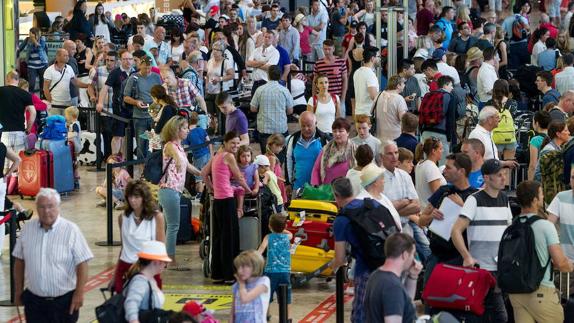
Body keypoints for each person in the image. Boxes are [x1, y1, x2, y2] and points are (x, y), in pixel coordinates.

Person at [13, 188, 94, 322]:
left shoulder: (71, 230)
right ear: (36, 208)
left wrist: (79, 293)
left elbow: (82, 264)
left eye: (50, 206)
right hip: (34, 302)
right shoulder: (28, 229)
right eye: (42, 207)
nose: (46, 211)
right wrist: (18, 291)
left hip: (64, 303)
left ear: (58, 207)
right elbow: (19, 261)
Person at [451, 159, 512, 323]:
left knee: (486, 314)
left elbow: (508, 231)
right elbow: (456, 231)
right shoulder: (474, 200)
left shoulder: (505, 199)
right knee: (498, 316)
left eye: (504, 174)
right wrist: (466, 256)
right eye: (499, 175)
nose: (503, 178)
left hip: (500, 268)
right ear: (486, 178)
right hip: (481, 270)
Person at [508, 181, 573, 323]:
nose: (543, 197)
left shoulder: (513, 224)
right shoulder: (545, 226)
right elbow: (561, 263)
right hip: (540, 292)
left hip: (516, 292)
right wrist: (571, 265)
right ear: (535, 200)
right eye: (541, 194)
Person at [331, 176, 390, 323]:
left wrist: (331, 267)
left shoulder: (342, 219)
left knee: (361, 315)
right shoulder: (372, 205)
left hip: (366, 269)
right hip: (391, 265)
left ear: (336, 196)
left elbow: (340, 258)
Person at [202, 132, 253, 283]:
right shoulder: (229, 156)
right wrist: (249, 191)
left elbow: (204, 173)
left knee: (218, 237)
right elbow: (239, 177)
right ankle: (230, 275)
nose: (236, 146)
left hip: (218, 200)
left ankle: (217, 274)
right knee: (230, 238)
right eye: (233, 143)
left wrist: (211, 188)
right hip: (227, 200)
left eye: (238, 143)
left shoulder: (216, 156)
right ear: (225, 142)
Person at [420, 153, 478, 282]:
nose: (444, 171)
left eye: (448, 168)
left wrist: (463, 207)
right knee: (430, 299)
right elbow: (421, 220)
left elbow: (479, 226)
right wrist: (431, 216)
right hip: (436, 256)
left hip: (460, 258)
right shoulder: (443, 191)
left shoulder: (474, 196)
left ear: (461, 171)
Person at [158, 116, 199, 270]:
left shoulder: (180, 147)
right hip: (169, 190)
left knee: (170, 226)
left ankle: (166, 258)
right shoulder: (170, 146)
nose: (187, 130)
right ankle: (170, 260)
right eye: (184, 128)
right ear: (176, 130)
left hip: (174, 191)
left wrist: (203, 174)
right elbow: (177, 159)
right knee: (173, 226)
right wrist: (179, 162)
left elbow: (188, 166)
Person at [112, 179, 164, 292]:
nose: (132, 200)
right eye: (130, 197)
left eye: (136, 197)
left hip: (148, 267)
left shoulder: (156, 217)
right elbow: (123, 248)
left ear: (144, 198)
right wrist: (114, 275)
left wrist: (157, 270)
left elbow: (161, 248)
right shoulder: (123, 218)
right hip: (125, 265)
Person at [364, 233, 423, 323]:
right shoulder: (392, 286)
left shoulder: (376, 275)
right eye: (413, 254)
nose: (413, 259)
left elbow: (405, 304)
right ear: (405, 255)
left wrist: (413, 276)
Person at [123, 55, 162, 160]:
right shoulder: (134, 78)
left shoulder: (156, 77)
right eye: (145, 68)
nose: (148, 70)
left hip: (154, 117)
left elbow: (162, 93)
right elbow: (125, 97)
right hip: (140, 117)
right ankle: (142, 170)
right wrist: (136, 102)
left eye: (149, 68)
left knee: (156, 145)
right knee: (141, 145)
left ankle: (153, 168)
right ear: (140, 65)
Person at [123, 241, 171, 322]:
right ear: (156, 262)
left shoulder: (150, 279)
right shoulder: (140, 282)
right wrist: (134, 320)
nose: (165, 266)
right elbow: (131, 303)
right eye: (165, 262)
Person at [98, 49, 134, 155]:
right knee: (118, 135)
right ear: (120, 60)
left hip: (132, 109)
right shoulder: (115, 72)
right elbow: (104, 88)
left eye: (130, 59)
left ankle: (124, 160)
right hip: (119, 109)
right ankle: (114, 160)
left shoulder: (135, 72)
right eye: (125, 59)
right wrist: (100, 102)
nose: (128, 61)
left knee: (128, 136)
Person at [250, 65, 293, 154]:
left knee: (266, 159)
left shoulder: (260, 90)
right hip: (280, 129)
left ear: (268, 75)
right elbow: (290, 111)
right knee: (280, 158)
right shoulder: (285, 91)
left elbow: (253, 109)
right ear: (280, 75)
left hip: (264, 129)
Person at [285, 111, 328, 193]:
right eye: (303, 126)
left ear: (315, 123)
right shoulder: (293, 139)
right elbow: (288, 160)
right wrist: (288, 182)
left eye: (309, 125)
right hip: (298, 187)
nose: (306, 129)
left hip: (319, 188)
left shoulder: (324, 139)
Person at [419, 75, 457, 165]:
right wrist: (450, 137)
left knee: (427, 162)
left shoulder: (428, 95)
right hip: (441, 133)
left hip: (426, 132)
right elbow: (450, 119)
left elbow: (421, 114)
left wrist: (421, 131)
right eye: (451, 85)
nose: (452, 88)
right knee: (443, 164)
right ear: (445, 85)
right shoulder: (449, 97)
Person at [257, 213, 292, 308]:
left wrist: (255, 257)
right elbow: (290, 233)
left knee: (266, 296)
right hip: (285, 272)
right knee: (285, 299)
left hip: (270, 272)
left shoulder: (268, 237)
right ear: (285, 226)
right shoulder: (287, 237)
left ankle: (265, 315)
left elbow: (262, 248)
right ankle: (287, 318)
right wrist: (282, 228)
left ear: (269, 226)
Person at [0, 71, 36, 162]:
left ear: (7, 79)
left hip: (4, 133)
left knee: (5, 163)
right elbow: (33, 113)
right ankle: (17, 176)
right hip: (19, 132)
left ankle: (7, 176)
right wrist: (28, 128)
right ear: (17, 80)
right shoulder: (25, 94)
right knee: (20, 163)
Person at [311, 118, 356, 185]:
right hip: (327, 191)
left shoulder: (355, 150)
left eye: (341, 131)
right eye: (334, 131)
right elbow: (316, 169)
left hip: (347, 192)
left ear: (348, 133)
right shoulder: (326, 149)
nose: (337, 134)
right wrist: (315, 186)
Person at [43, 49, 89, 115]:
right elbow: (45, 88)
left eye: (67, 55)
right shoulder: (49, 70)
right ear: (58, 57)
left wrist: (88, 85)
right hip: (55, 105)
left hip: (67, 103)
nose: (67, 57)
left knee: (66, 123)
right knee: (56, 124)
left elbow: (75, 82)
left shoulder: (69, 68)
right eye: (65, 55)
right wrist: (51, 101)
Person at [232, 250, 270, 322]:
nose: (239, 271)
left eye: (243, 267)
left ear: (254, 266)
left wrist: (241, 284)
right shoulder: (237, 286)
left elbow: (245, 299)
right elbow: (233, 311)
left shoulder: (263, 282)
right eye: (238, 267)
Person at [312, 40, 348, 112]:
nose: (327, 51)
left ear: (333, 49)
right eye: (325, 49)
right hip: (322, 98)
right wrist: (314, 97)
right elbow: (314, 82)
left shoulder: (341, 62)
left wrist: (343, 98)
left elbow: (345, 80)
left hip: (338, 97)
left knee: (339, 121)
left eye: (329, 49)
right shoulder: (318, 63)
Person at [415, 137, 447, 209]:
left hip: (424, 209)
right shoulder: (431, 167)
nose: (442, 151)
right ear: (433, 151)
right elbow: (437, 195)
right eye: (440, 149)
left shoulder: (420, 164)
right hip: (430, 212)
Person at [0, 143, 20, 255]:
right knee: (0, 217)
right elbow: (18, 160)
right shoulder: (2, 146)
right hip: (1, 184)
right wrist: (7, 175)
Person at [375, 75, 408, 142]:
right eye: (403, 83)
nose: (404, 85)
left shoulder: (378, 95)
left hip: (378, 136)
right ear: (398, 85)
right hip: (395, 137)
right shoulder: (399, 99)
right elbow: (403, 119)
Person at [246, 30, 280, 95]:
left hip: (266, 82)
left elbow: (269, 68)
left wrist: (255, 63)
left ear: (273, 39)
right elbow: (248, 63)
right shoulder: (256, 50)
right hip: (255, 82)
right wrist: (263, 62)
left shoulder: (275, 52)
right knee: (253, 104)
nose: (266, 39)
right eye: (265, 37)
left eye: (269, 37)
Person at [18, 27, 49, 96]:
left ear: (36, 34)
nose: (30, 36)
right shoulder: (27, 40)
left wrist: (34, 40)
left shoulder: (42, 39)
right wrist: (18, 56)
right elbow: (19, 48)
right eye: (29, 34)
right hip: (31, 66)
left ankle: (42, 97)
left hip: (42, 65)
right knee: (31, 84)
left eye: (31, 34)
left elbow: (40, 48)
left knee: (43, 83)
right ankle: (31, 98)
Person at [353, 46, 379, 117]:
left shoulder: (357, 72)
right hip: (368, 113)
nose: (379, 59)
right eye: (378, 56)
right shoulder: (370, 74)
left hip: (358, 112)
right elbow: (373, 96)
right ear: (373, 58)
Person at [528, 111, 551, 180]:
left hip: (540, 176)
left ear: (537, 123)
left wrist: (530, 182)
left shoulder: (535, 140)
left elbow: (533, 165)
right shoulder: (553, 137)